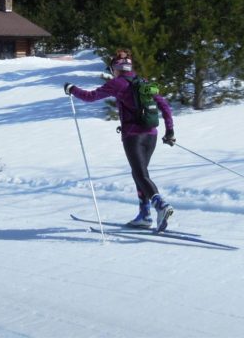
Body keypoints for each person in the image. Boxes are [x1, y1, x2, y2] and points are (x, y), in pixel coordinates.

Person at [64, 49, 176, 231]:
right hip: (152, 135)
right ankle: (144, 214)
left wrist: (72, 89)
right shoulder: (143, 82)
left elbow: (90, 97)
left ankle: (160, 206)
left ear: (115, 68)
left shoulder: (117, 83)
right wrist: (169, 131)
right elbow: (164, 105)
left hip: (133, 136)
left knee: (140, 174)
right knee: (139, 173)